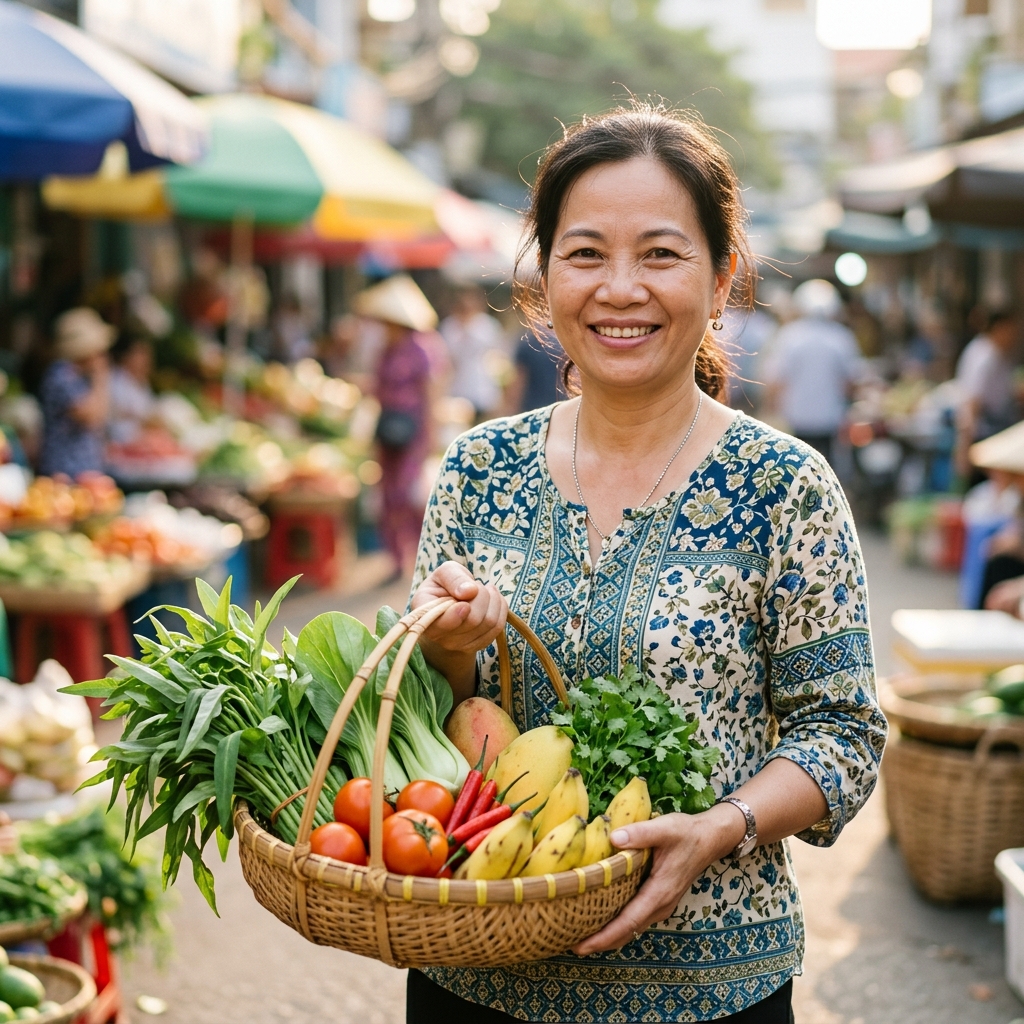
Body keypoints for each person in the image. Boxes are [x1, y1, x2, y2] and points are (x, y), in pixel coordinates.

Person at [406, 106, 886, 1023]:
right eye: (585, 254)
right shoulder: (476, 468)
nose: (619, 289)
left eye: (660, 254)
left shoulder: (786, 485)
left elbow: (845, 733)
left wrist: (721, 827)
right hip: (474, 969)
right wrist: (452, 647)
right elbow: (423, 714)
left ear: (722, 275)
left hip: (713, 983)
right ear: (543, 277)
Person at [355, 274, 439, 579]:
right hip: (386, 430)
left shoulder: (422, 347)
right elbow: (376, 389)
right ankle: (396, 559)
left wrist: (430, 432)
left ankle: (423, 556)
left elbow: (431, 393)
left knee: (409, 496)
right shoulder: (385, 349)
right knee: (388, 496)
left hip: (413, 432)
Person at [764, 279, 862, 464]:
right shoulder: (841, 337)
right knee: (827, 467)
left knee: (797, 467)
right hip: (830, 417)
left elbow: (776, 380)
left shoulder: (789, 336)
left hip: (797, 417)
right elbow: (850, 382)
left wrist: (772, 410)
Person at [38, 308, 113, 478]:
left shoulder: (81, 377)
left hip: (86, 470)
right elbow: (91, 416)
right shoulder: (60, 375)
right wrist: (100, 378)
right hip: (64, 472)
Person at [954, 308, 1021, 479]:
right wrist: (964, 447)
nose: (1015, 335)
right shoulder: (983, 356)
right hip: (982, 434)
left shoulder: (1001, 354)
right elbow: (971, 403)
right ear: (999, 328)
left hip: (996, 430)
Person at [438, 286, 506, 420]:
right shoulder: (449, 326)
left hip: (483, 387)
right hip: (456, 388)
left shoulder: (487, 325)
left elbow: (498, 355)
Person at [108, 334, 157, 444]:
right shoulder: (114, 381)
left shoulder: (143, 383)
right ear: (126, 355)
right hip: (118, 443)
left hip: (139, 442)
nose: (146, 359)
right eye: (140, 353)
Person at [505, 330, 565, 413]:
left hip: (533, 411)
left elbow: (517, 386)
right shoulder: (564, 341)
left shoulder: (528, 341)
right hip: (562, 408)